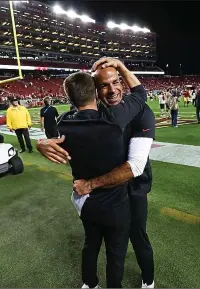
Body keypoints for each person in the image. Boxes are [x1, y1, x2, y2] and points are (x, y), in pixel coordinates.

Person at [38, 60, 156, 288]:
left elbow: (135, 166)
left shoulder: (141, 112)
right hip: (108, 195)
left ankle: (148, 280)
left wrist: (90, 185)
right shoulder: (100, 112)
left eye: (116, 82)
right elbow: (62, 130)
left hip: (134, 188)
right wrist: (41, 143)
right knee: (112, 246)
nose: (112, 90)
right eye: (104, 85)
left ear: (122, 82)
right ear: (95, 90)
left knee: (138, 237)